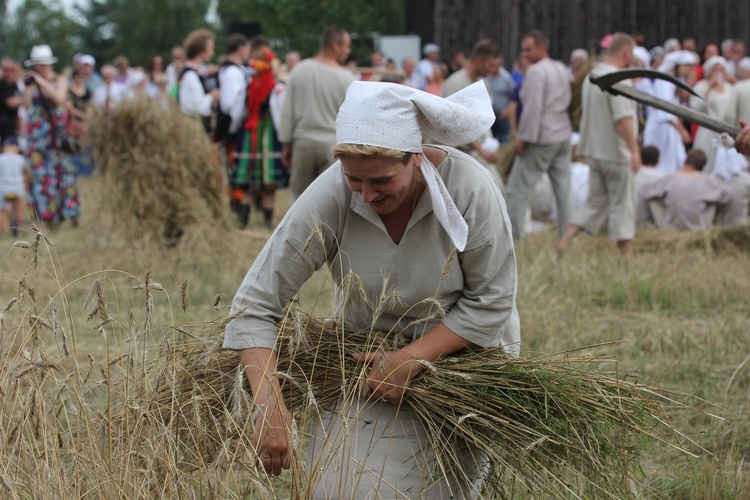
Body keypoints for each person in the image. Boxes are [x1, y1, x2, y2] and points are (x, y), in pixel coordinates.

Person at [223, 80, 520, 498]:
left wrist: (411, 359)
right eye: (354, 180)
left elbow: (492, 303)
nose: (367, 194)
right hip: (366, 361)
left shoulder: (470, 187)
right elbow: (255, 303)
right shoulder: (332, 193)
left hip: (461, 358)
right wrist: (268, 404)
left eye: (381, 180)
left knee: (434, 489)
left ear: (415, 157)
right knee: (339, 487)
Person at [557, 33, 640, 254]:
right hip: (615, 152)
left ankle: (564, 242)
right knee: (624, 202)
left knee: (595, 202)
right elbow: (622, 119)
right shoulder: (619, 78)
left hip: (595, 151)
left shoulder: (592, 76)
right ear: (626, 53)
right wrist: (634, 149)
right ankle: (626, 257)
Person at [506, 30, 572, 240]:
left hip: (541, 137)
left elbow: (533, 109)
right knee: (564, 191)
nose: (524, 53)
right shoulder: (561, 68)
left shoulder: (536, 72)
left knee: (517, 189)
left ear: (542, 47)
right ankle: (567, 237)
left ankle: (514, 240)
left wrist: (523, 139)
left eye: (529, 49)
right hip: (562, 133)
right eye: (523, 49)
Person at [278, 25, 354, 199]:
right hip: (332, 145)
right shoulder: (346, 77)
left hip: (303, 142)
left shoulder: (299, 70)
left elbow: (287, 110)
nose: (348, 51)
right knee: (329, 199)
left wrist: (285, 145)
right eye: (346, 46)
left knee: (299, 198)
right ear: (335, 46)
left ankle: (299, 228)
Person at [230, 36, 287, 229]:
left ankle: (243, 223)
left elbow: (238, 112)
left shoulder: (248, 85)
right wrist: (284, 138)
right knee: (268, 182)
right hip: (267, 134)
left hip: (249, 131)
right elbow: (280, 115)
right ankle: (267, 224)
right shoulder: (276, 86)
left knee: (246, 179)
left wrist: (234, 128)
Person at [22, 44, 80, 226]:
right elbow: (26, 105)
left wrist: (42, 82)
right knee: (40, 175)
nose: (39, 68)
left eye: (42, 64)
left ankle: (70, 213)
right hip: (38, 137)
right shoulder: (33, 84)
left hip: (55, 135)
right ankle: (46, 215)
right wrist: (28, 86)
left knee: (62, 173)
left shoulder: (59, 80)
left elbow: (59, 99)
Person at [442, 38, 502, 169]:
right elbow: (454, 125)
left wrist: (488, 145)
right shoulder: (455, 83)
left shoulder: (484, 83)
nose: (492, 70)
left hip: (477, 151)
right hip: (454, 153)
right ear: (479, 60)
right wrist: (481, 150)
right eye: (490, 65)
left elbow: (483, 118)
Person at [639, 149, 730, 230]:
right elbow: (727, 195)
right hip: (699, 228)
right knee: (714, 200)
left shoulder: (671, 177)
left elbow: (645, 190)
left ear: (685, 161)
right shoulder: (707, 181)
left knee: (653, 197)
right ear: (702, 167)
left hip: (672, 227)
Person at [642, 50, 692, 173]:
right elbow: (665, 112)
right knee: (663, 164)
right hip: (662, 128)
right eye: (686, 66)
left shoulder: (673, 82)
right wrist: (682, 130)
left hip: (670, 128)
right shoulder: (664, 82)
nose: (688, 70)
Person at [689, 56, 732, 174]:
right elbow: (696, 106)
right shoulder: (701, 86)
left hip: (725, 131)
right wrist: (709, 87)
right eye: (715, 70)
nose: (719, 73)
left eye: (721, 70)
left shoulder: (729, 88)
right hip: (708, 130)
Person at [179, 28, 221, 135]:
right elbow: (197, 108)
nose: (212, 53)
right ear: (200, 50)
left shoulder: (200, 72)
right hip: (194, 130)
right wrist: (212, 96)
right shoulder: (190, 75)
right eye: (210, 48)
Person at [0, 136, 30, 236]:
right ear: (17, 148)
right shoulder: (20, 158)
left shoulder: (1, 158)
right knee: (18, 210)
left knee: (2, 212)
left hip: (3, 189)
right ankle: (18, 229)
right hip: (17, 188)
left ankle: (1, 231)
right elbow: (28, 172)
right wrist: (27, 180)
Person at [485, 55, 515, 143]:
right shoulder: (485, 78)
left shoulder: (506, 79)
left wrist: (507, 110)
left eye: (494, 65)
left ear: (499, 65)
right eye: (491, 65)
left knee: (503, 140)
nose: (492, 68)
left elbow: (512, 99)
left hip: (502, 116)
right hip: (489, 116)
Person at [0, 58, 22, 144]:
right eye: (5, 70)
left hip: (12, 124)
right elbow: (11, 103)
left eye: (11, 70)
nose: (8, 73)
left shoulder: (15, 85)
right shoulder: (2, 85)